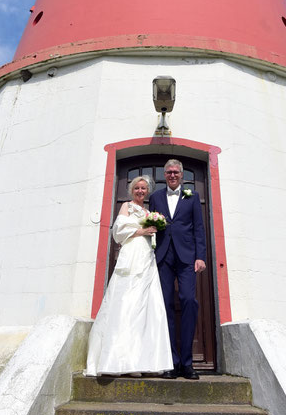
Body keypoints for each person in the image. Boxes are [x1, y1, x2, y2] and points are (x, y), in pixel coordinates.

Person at [85, 175, 173, 377]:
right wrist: (144, 231)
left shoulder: (148, 212)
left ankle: (136, 361)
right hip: (131, 255)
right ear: (132, 190)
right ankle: (115, 360)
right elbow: (119, 232)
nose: (140, 191)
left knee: (143, 307)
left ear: (147, 191)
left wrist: (153, 231)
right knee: (125, 303)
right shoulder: (126, 207)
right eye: (137, 188)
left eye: (144, 188)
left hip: (146, 257)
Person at [149, 159, 207, 380]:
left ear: (182, 175)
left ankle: (187, 363)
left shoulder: (191, 198)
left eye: (176, 172)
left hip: (186, 258)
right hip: (163, 257)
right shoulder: (155, 198)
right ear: (165, 175)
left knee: (188, 301)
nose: (172, 175)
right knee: (165, 306)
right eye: (169, 172)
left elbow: (198, 229)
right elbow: (150, 227)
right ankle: (171, 363)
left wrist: (200, 257)